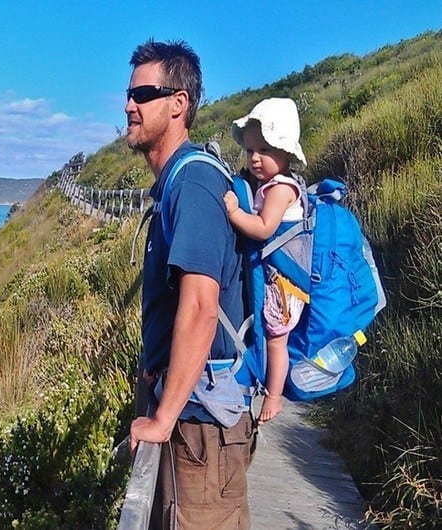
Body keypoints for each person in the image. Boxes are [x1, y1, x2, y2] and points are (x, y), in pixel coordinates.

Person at [127, 39, 256, 529]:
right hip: (195, 421)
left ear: (179, 103)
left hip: (204, 429)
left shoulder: (194, 185)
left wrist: (161, 420)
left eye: (142, 95)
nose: (128, 105)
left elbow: (202, 307)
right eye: (129, 93)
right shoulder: (177, 183)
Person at [223, 98, 309, 424]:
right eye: (249, 151)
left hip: (285, 287)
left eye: (264, 150)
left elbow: (263, 229)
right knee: (273, 337)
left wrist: (234, 212)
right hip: (279, 280)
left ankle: (274, 397)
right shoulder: (272, 184)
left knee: (277, 340)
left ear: (286, 152)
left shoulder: (281, 189)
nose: (255, 159)